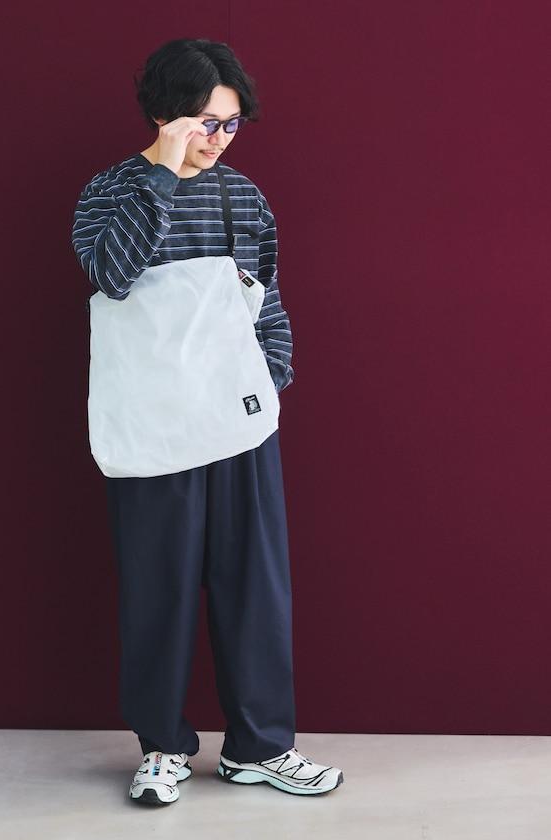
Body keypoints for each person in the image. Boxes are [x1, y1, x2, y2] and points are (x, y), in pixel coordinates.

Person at [71, 37, 345, 806]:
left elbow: (267, 302)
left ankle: (261, 746)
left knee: (255, 589)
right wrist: (162, 171)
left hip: (237, 423)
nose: (219, 139)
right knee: (157, 592)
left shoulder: (244, 197)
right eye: (205, 122)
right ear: (165, 115)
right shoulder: (110, 192)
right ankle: (161, 747)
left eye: (230, 124)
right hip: (152, 429)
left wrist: (269, 382)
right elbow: (112, 274)